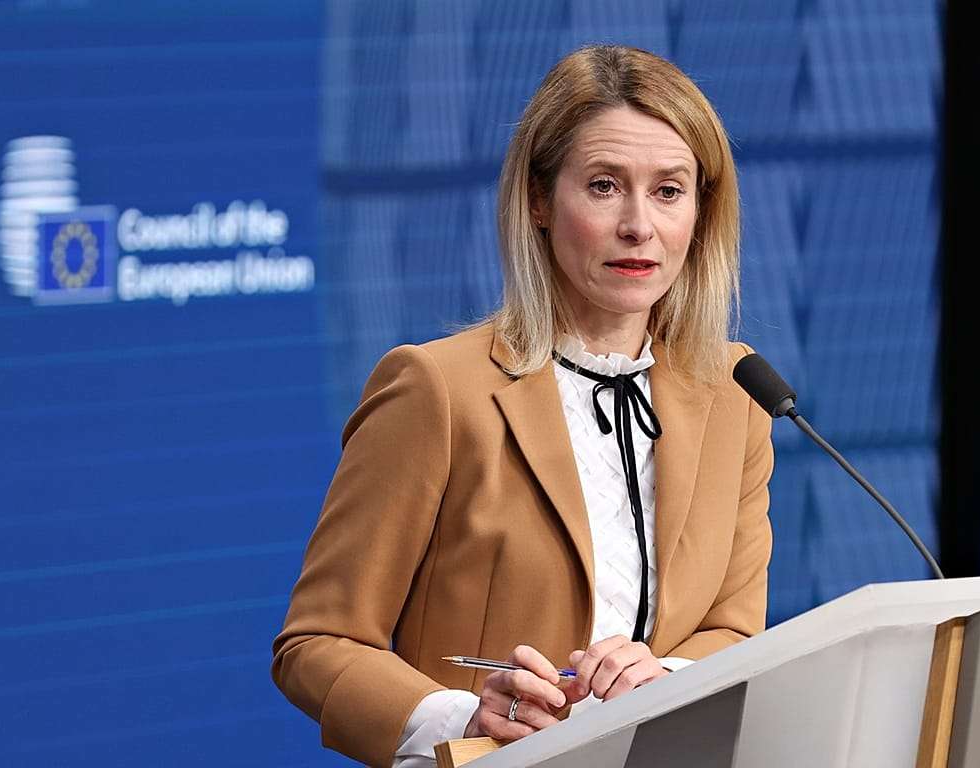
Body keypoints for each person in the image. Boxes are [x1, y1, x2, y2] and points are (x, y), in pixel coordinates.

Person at [272, 44, 774, 767]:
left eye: (669, 191)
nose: (639, 225)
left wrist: (664, 677)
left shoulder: (735, 393)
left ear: (702, 210)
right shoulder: (437, 390)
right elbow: (317, 644)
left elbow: (733, 629)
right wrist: (465, 721)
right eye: (604, 186)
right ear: (539, 200)